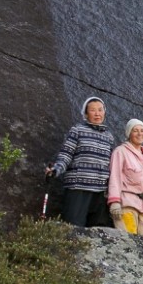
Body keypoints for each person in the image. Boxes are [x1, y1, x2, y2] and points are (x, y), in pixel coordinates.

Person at [46, 96, 115, 227]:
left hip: (100, 191)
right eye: (93, 110)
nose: (97, 113)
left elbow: (111, 164)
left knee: (97, 229)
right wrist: (56, 170)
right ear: (86, 113)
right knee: (74, 228)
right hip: (78, 187)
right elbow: (66, 155)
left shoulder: (108, 136)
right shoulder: (77, 130)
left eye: (100, 110)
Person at [107, 119, 143, 237]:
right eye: (135, 130)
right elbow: (115, 177)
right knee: (128, 240)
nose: (139, 134)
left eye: (142, 131)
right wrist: (114, 202)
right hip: (127, 201)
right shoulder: (120, 151)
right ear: (129, 133)